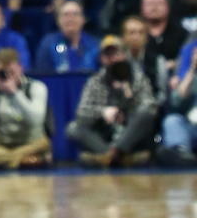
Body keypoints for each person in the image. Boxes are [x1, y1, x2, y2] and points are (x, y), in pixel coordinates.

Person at [66, 35, 158, 167]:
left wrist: (128, 97)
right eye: (108, 55)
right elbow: (81, 113)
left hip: (131, 136)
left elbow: (150, 106)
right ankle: (119, 156)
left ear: (124, 56)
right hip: (105, 135)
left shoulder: (137, 78)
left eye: (116, 54)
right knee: (73, 129)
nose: (113, 59)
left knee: (147, 111)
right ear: (102, 59)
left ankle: (110, 156)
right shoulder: (95, 82)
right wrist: (102, 112)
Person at [0, 48, 52, 169]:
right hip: (0, 146)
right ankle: (17, 160)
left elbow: (37, 119)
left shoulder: (36, 87)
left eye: (11, 72)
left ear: (20, 68)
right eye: (3, 73)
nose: (8, 77)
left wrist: (15, 94)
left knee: (44, 143)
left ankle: (3, 161)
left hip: (29, 144)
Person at [159, 34, 197, 166]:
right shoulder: (191, 76)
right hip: (193, 127)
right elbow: (176, 103)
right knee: (172, 121)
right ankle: (181, 155)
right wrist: (192, 70)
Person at [34, 1, 100, 73]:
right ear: (58, 20)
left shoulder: (95, 45)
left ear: (82, 20)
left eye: (75, 14)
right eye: (65, 15)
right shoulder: (47, 44)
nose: (70, 19)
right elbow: (42, 74)